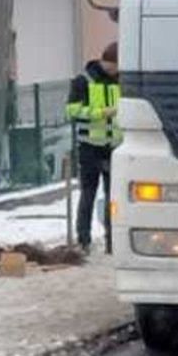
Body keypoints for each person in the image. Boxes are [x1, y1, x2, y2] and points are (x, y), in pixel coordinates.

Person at [67, 42, 122, 253]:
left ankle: (112, 241)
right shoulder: (84, 81)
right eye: (113, 66)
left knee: (113, 197)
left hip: (115, 147)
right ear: (105, 61)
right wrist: (100, 113)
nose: (115, 71)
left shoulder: (122, 81)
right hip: (89, 147)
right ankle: (84, 240)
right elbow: (72, 111)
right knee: (88, 194)